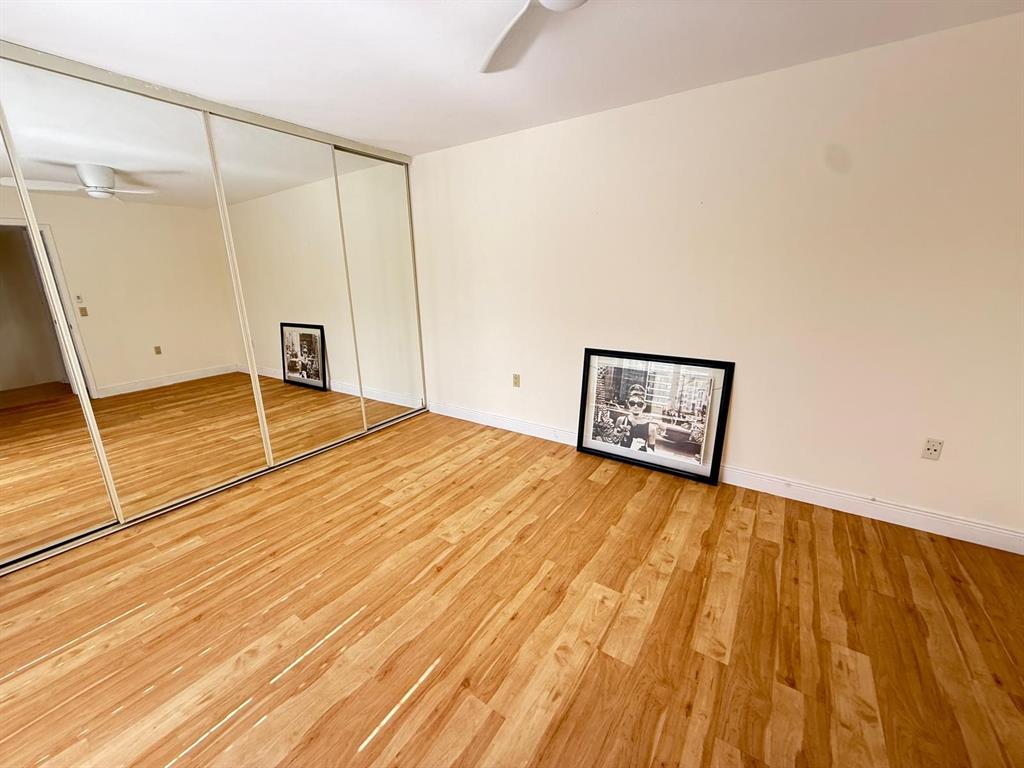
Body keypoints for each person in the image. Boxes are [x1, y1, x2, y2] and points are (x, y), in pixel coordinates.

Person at [612, 384, 658, 452]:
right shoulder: (621, 420)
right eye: (632, 403)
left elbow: (651, 451)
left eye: (639, 404)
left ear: (644, 406)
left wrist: (645, 450)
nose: (635, 407)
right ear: (628, 404)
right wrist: (619, 434)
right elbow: (614, 442)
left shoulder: (651, 428)